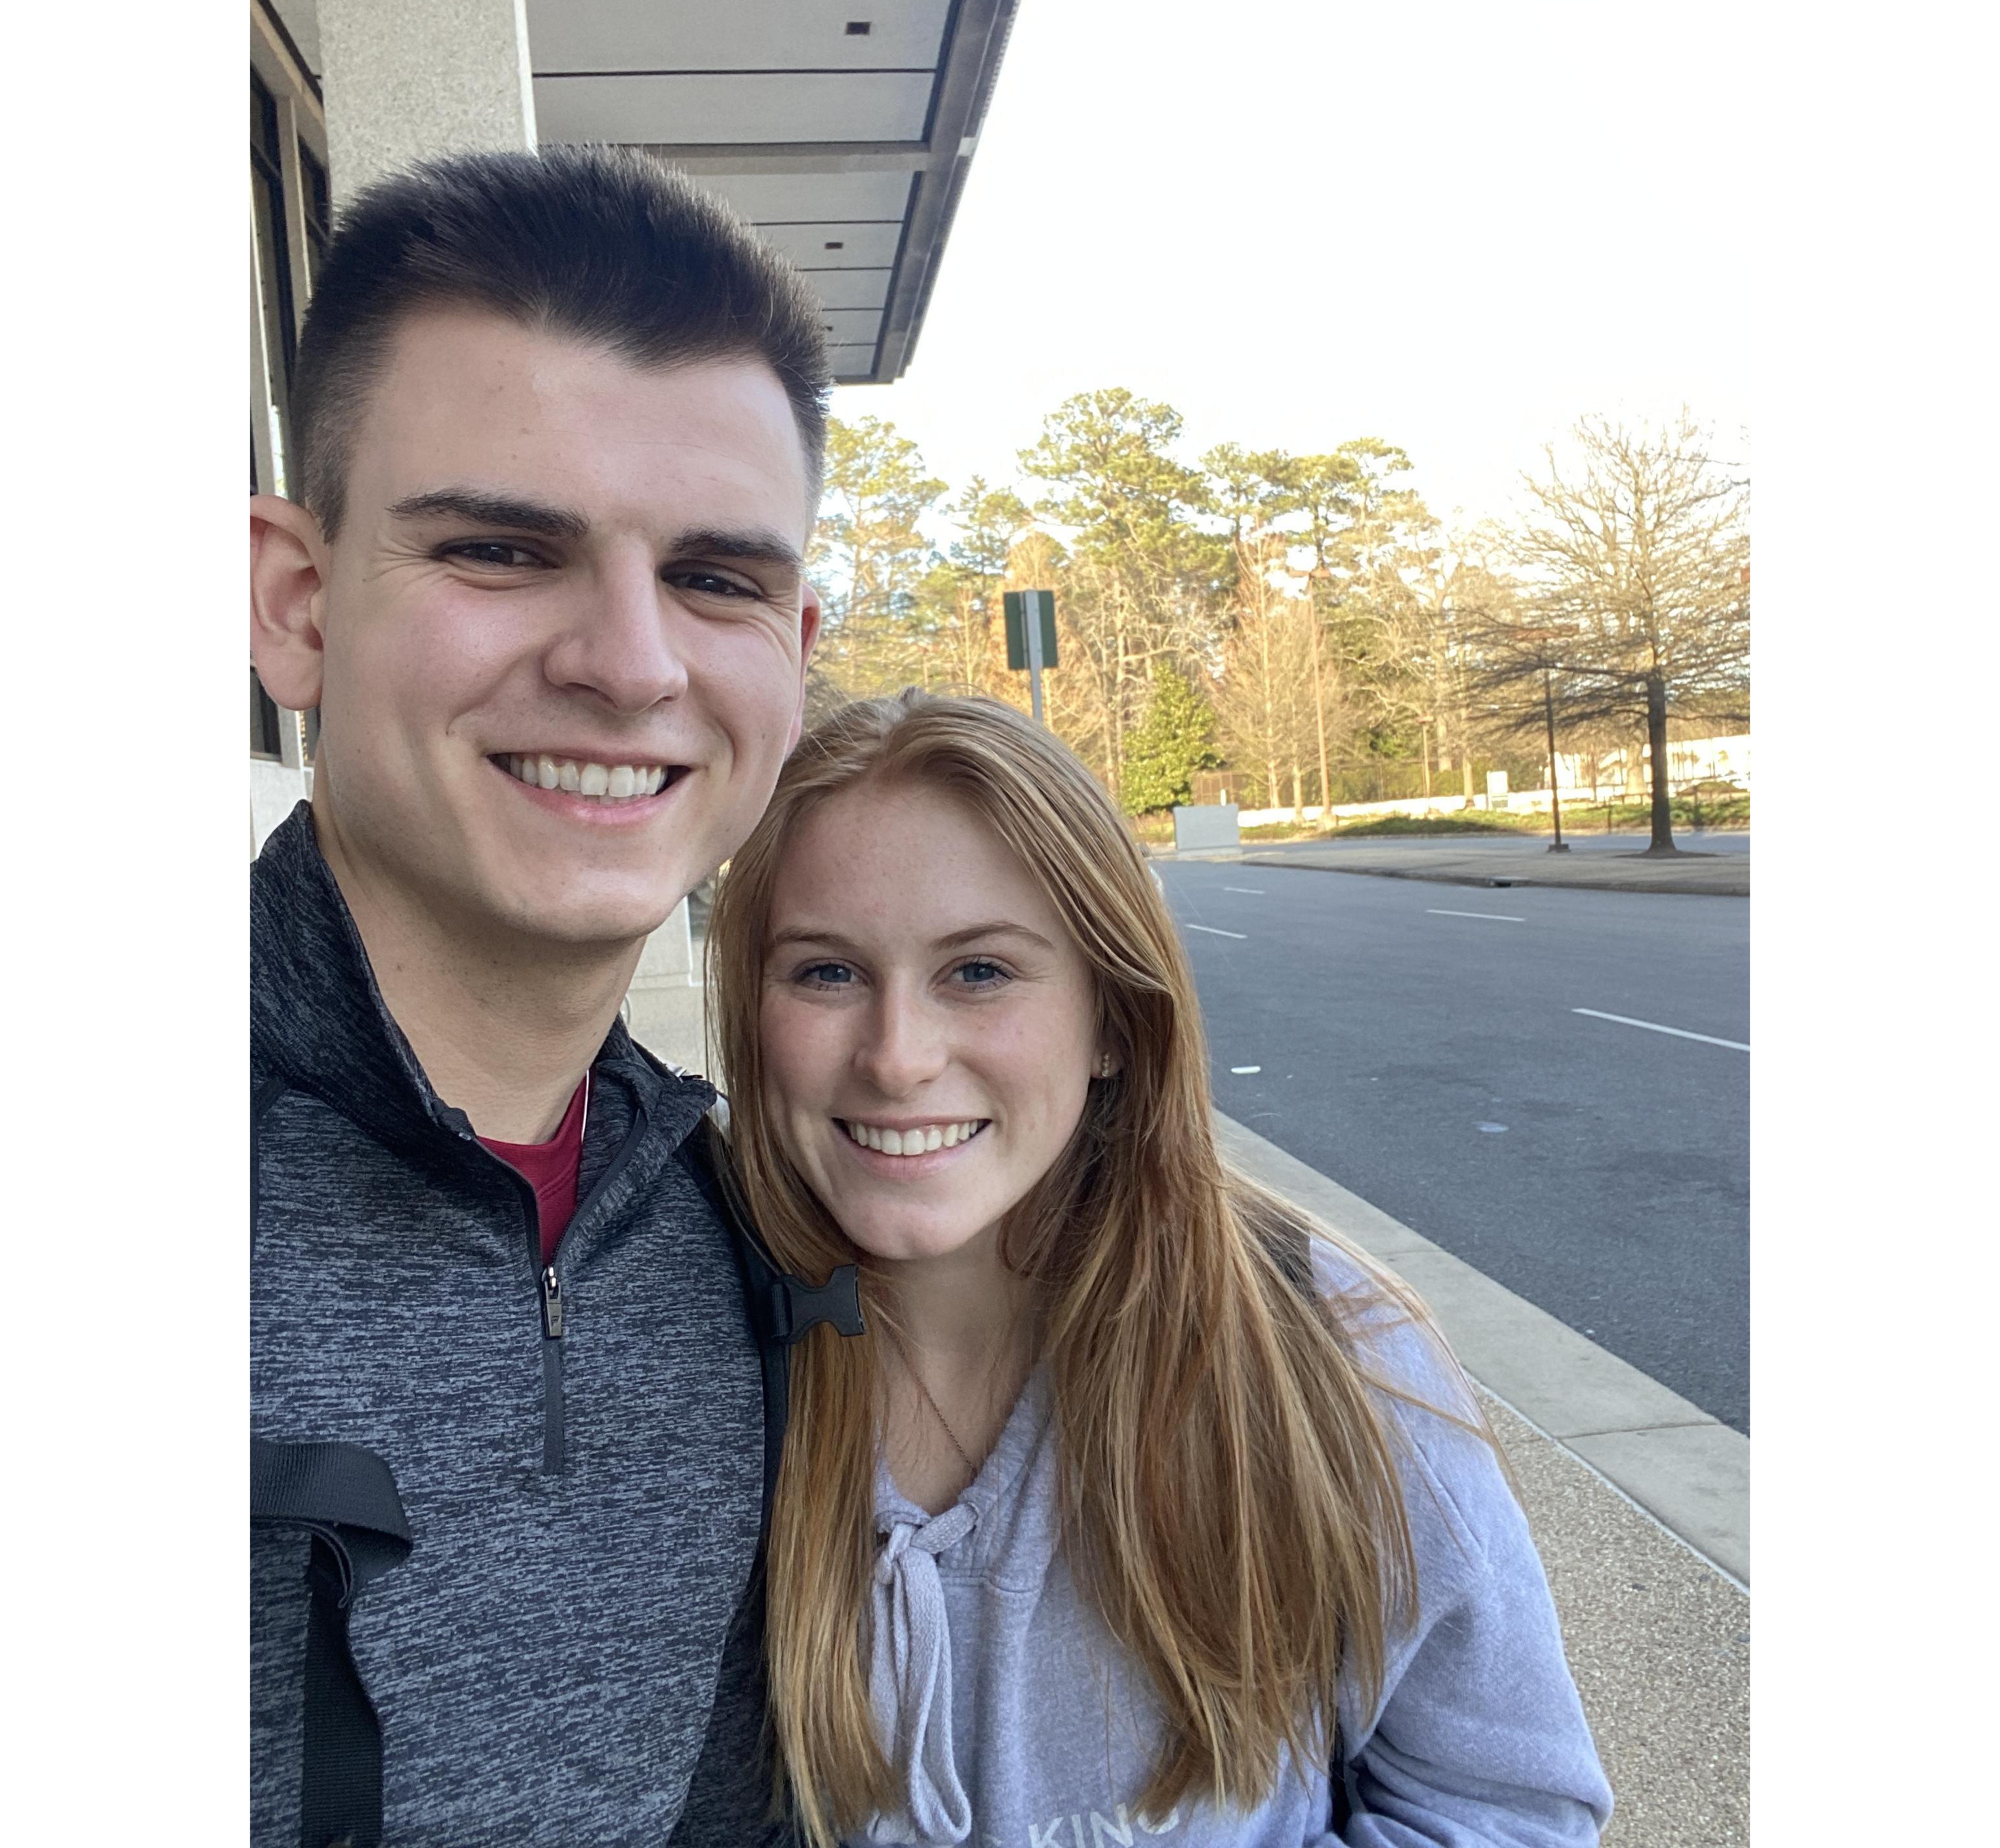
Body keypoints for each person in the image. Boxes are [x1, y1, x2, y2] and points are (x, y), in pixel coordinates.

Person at [704, 690, 1617, 1846]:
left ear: (1113, 1023)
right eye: (827, 972)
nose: (898, 1057)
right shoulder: (688, 1341)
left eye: (980, 971)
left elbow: (1506, 1810)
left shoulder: (1319, 1345)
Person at [248, 144, 831, 1845]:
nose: (632, 662)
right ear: (297, 607)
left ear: (796, 647)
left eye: (720, 578)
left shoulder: (781, 1221)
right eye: (504, 550)